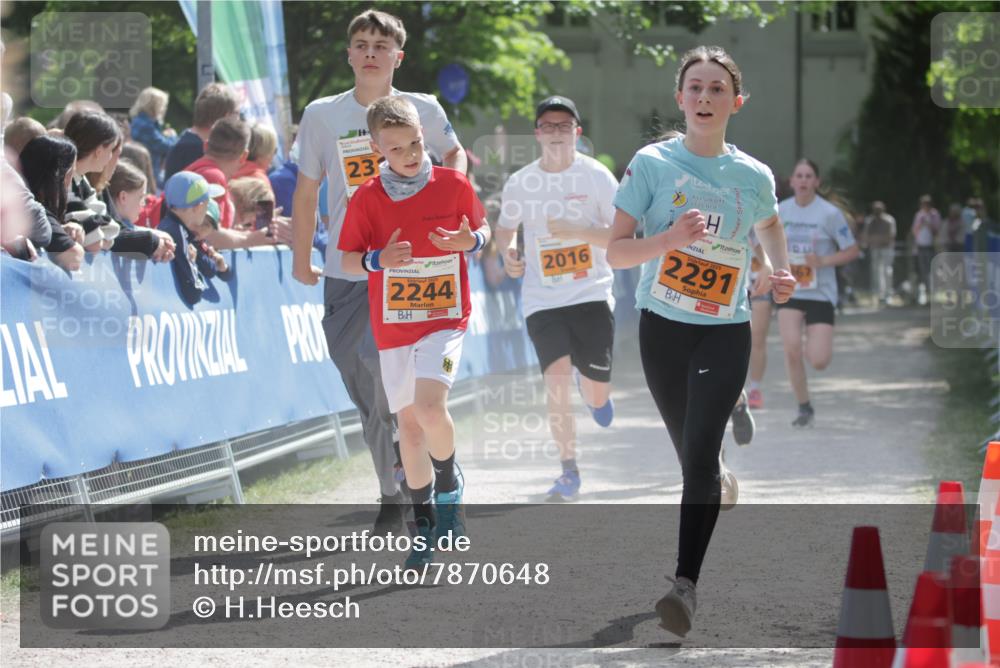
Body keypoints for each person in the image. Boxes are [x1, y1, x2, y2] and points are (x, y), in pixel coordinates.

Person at [606, 46, 796, 638]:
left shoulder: (753, 175)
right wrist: (667, 239)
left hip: (725, 329)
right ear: (680, 99)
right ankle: (717, 466)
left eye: (718, 89)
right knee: (693, 455)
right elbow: (615, 251)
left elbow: (769, 225)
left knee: (696, 464)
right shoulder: (652, 164)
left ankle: (684, 586)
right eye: (696, 88)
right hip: (661, 326)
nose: (706, 98)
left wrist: (780, 270)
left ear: (735, 101)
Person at [291, 9, 467, 534]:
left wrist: (447, 201)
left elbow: (456, 155)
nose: (370, 52)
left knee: (388, 374)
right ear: (349, 54)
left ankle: (420, 478)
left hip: (411, 267)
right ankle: (393, 486)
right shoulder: (323, 114)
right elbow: (306, 192)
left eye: (380, 45)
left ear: (398, 56)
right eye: (362, 43)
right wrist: (302, 258)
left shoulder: (425, 109)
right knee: (359, 376)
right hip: (349, 265)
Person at [338, 95, 487, 567]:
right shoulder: (367, 196)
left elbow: (484, 233)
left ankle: (448, 488)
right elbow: (345, 260)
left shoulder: (453, 184)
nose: (410, 154)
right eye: (397, 148)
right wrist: (378, 259)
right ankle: (423, 527)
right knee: (408, 428)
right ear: (378, 149)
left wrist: (472, 241)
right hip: (395, 325)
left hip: (445, 318)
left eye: (416, 143)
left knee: (428, 406)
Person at [495, 95, 618, 501]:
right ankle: (569, 471)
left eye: (564, 125)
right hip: (542, 300)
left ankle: (595, 391)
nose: (556, 132)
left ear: (577, 133)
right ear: (537, 134)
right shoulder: (520, 182)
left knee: (596, 391)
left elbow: (622, 237)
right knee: (557, 383)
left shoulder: (598, 177)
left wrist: (576, 231)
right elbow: (505, 228)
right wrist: (509, 254)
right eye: (548, 125)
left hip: (591, 294)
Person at [777, 159, 859, 427]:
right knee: (791, 349)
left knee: (819, 360)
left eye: (808, 176)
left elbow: (852, 250)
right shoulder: (780, 211)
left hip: (821, 292)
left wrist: (821, 262)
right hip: (791, 289)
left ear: (816, 182)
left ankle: (814, 359)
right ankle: (804, 407)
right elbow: (764, 243)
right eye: (798, 175)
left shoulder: (829, 214)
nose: (803, 180)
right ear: (792, 181)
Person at [158, 171, 229, 305]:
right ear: (199, 207)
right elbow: (193, 294)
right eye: (207, 204)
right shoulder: (177, 232)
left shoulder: (170, 225)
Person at [18, 135, 85, 271]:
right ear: (62, 177)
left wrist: (62, 229)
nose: (70, 183)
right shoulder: (33, 209)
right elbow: (73, 258)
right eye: (70, 175)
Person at [163, 82, 240, 182]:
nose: (239, 119)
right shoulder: (194, 149)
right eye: (237, 113)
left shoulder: (188, 142)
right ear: (226, 116)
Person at [183, 117, 250, 229]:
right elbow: (209, 235)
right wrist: (255, 237)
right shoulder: (213, 177)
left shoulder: (195, 169)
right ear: (244, 156)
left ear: (205, 146)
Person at [129, 86, 178, 188]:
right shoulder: (146, 126)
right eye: (163, 105)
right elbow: (166, 147)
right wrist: (173, 136)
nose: (164, 109)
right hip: (148, 175)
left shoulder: (141, 121)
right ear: (154, 106)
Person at [862, 200, 896, 306]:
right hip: (875, 249)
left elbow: (890, 237)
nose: (877, 212)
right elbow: (867, 236)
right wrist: (876, 240)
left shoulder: (889, 220)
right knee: (876, 272)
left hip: (887, 249)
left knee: (887, 271)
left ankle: (888, 295)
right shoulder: (869, 221)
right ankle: (879, 295)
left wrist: (877, 239)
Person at [910, 194, 940, 305]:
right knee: (922, 272)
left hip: (931, 246)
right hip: (920, 247)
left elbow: (936, 231)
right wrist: (922, 224)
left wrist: (928, 224)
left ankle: (932, 295)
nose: (925, 206)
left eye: (927, 204)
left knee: (931, 271)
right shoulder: (919, 215)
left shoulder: (934, 214)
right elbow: (914, 231)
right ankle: (923, 296)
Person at [232, 122, 278, 196]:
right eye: (274, 150)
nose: (274, 156)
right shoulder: (260, 182)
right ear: (264, 151)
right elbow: (264, 207)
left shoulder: (229, 170)